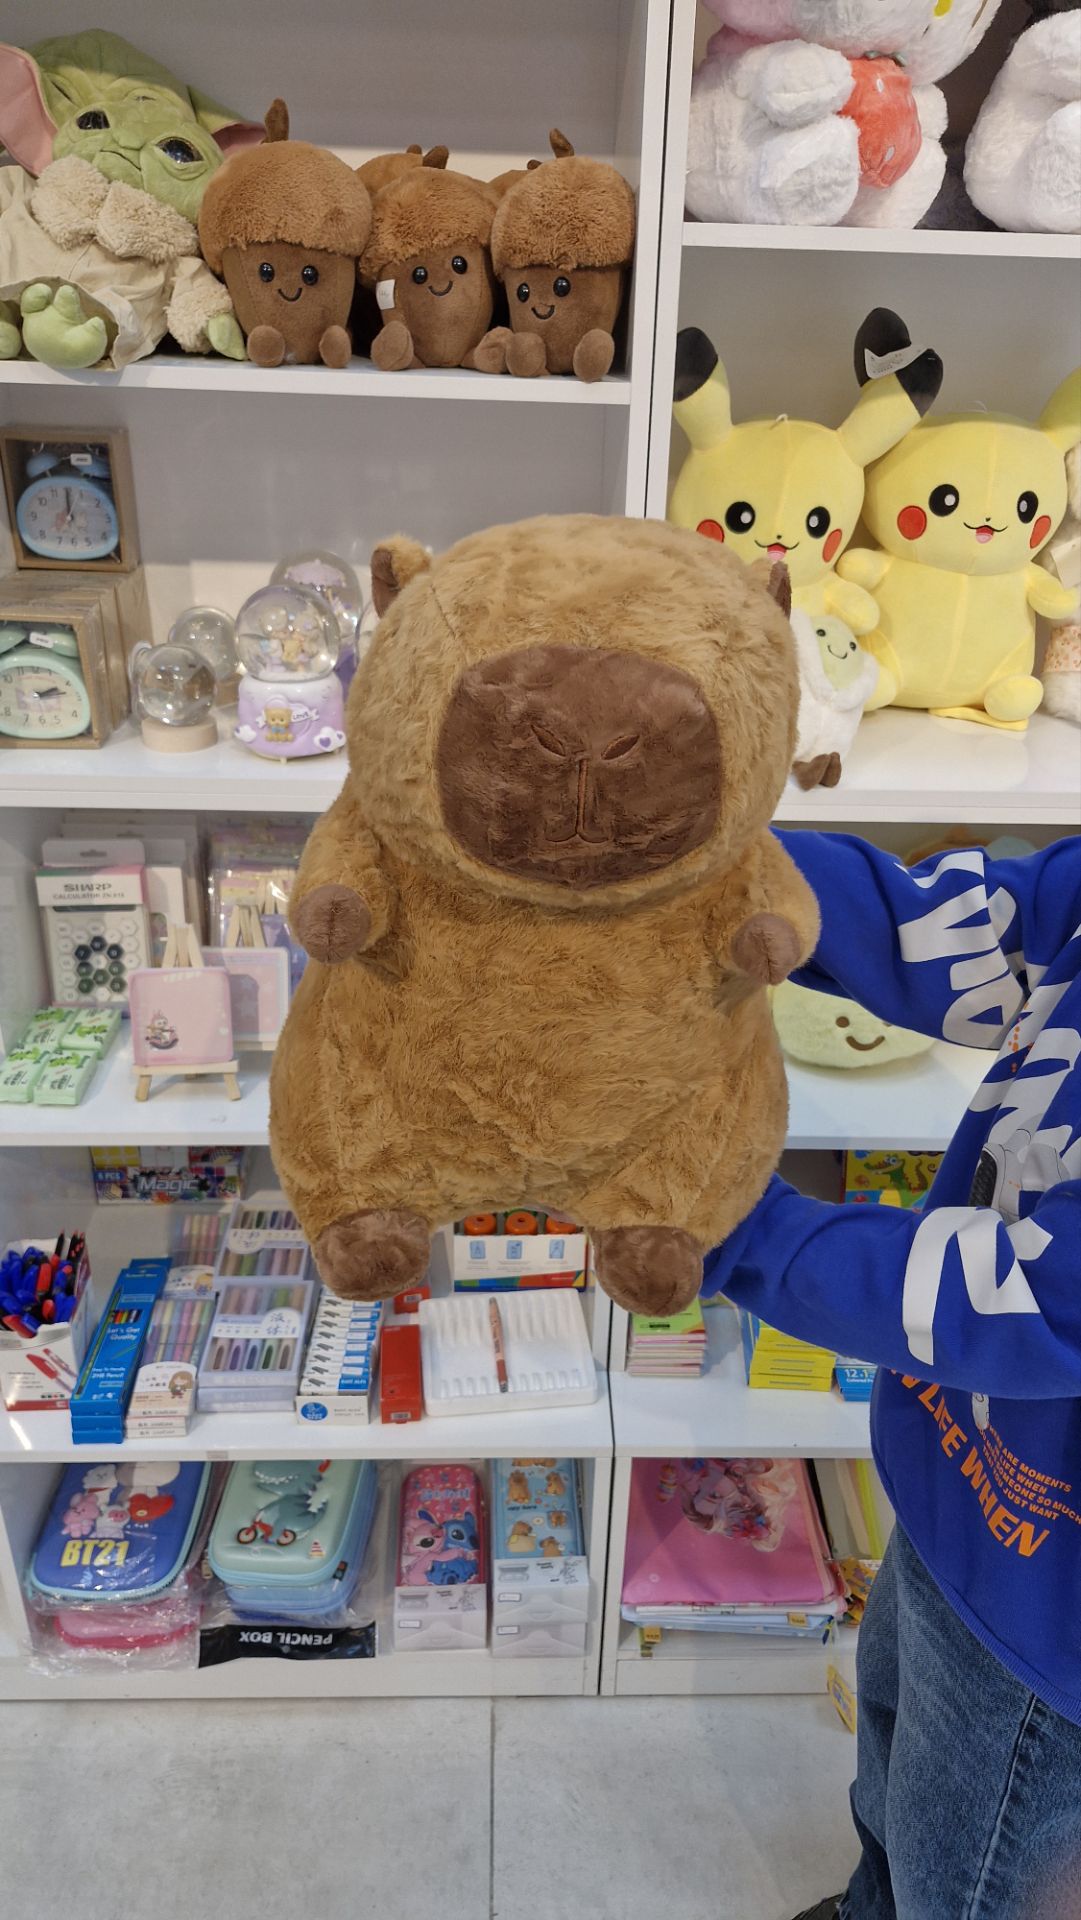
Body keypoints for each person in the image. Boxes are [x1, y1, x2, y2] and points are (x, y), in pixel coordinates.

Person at [702, 833, 1081, 1920]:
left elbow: (1024, 1297)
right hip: (960, 1476)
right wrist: (710, 851)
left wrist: (729, 1224)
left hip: (1051, 1611)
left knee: (963, 1870)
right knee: (891, 1764)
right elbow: (976, 927)